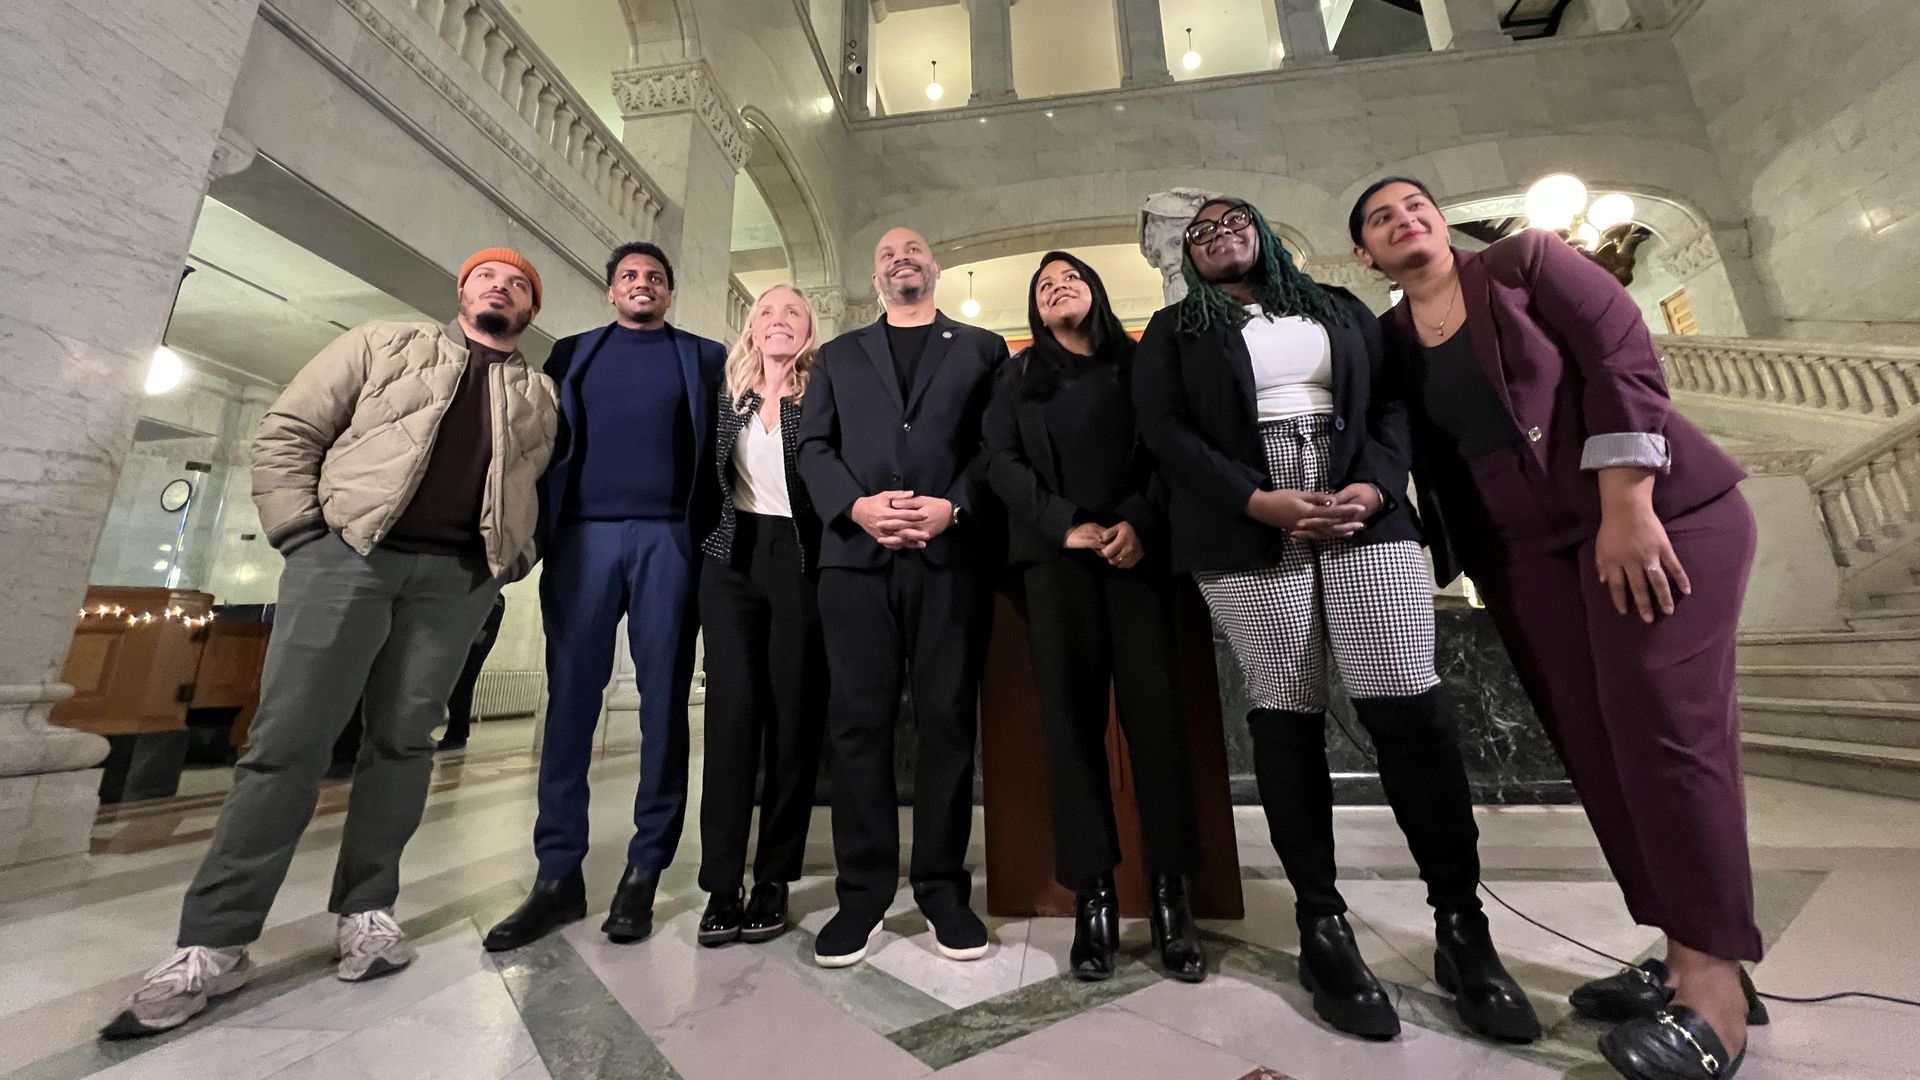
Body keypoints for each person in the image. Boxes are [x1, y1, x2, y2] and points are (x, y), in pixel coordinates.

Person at [1351, 177, 1765, 1080]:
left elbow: (1621, 354)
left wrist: (1626, 499)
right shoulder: (1386, 341)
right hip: (1523, 556)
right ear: (1366, 257)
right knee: (1598, 747)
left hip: (1653, 517)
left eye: (1414, 205)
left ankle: (1713, 994)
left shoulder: (1524, 264)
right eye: (1381, 218)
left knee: (1665, 733)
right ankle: (1692, 945)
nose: (1403, 219)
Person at [104, 249, 558, 1038]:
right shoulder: (383, 342)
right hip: (347, 557)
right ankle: (215, 941)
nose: (501, 288)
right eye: (489, 277)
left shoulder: (540, 395)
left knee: (405, 743)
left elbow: (541, 491)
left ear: (529, 311)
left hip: (452, 581)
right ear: (462, 291)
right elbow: (290, 431)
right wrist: (303, 534)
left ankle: (367, 910)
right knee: (287, 743)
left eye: (519, 286)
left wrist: (506, 561)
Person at [1133, 198, 1538, 1044]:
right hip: (1244, 517)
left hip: (1360, 504)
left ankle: (1464, 929)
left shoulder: (1338, 307)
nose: (1216, 237)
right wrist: (1257, 500)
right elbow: (1164, 433)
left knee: (1409, 707)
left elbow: (1393, 407)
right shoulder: (1173, 329)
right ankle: (1324, 930)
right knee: (1285, 715)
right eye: (1198, 233)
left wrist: (1379, 485)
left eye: (1231, 221)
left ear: (1266, 232)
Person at [483, 242, 723, 952]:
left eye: (654, 277)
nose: (641, 284)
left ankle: (646, 866)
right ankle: (558, 874)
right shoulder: (573, 355)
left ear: (668, 293)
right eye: (629, 277)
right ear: (610, 291)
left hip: (668, 544)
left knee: (662, 708)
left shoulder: (703, 357)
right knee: (571, 705)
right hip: (582, 541)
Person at [981, 251, 1203, 983]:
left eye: (1069, 278)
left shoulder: (1140, 363)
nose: (1057, 289)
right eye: (1043, 287)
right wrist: (1063, 523)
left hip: (1136, 560)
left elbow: (1169, 452)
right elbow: (1000, 461)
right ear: (1033, 311)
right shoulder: (1016, 377)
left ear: (1096, 292)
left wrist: (1137, 522)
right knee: (1070, 730)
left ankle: (1173, 896)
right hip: (1057, 567)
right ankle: (1095, 900)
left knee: (1158, 727)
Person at [797, 227, 1008, 968]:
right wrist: (856, 508)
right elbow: (813, 447)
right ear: (875, 276)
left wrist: (955, 505)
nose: (900, 258)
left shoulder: (982, 349)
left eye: (913, 249)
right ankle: (862, 893)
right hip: (855, 560)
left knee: (948, 722)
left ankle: (944, 889)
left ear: (935, 266)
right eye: (886, 253)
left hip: (950, 557)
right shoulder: (840, 355)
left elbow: (994, 447)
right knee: (858, 725)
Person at [694, 284, 828, 947]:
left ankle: (773, 877)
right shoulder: (727, 394)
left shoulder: (822, 394)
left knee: (793, 719)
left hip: (799, 559)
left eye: (792, 313)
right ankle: (722, 883)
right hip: (729, 558)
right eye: (768, 312)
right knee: (731, 719)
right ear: (752, 328)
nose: (779, 320)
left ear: (808, 329)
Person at [437, 592, 508, 752]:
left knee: (460, 690)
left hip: (474, 649)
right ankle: (460, 732)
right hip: (466, 647)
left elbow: (483, 631)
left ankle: (457, 736)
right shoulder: (482, 595)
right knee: (459, 690)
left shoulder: (494, 598)